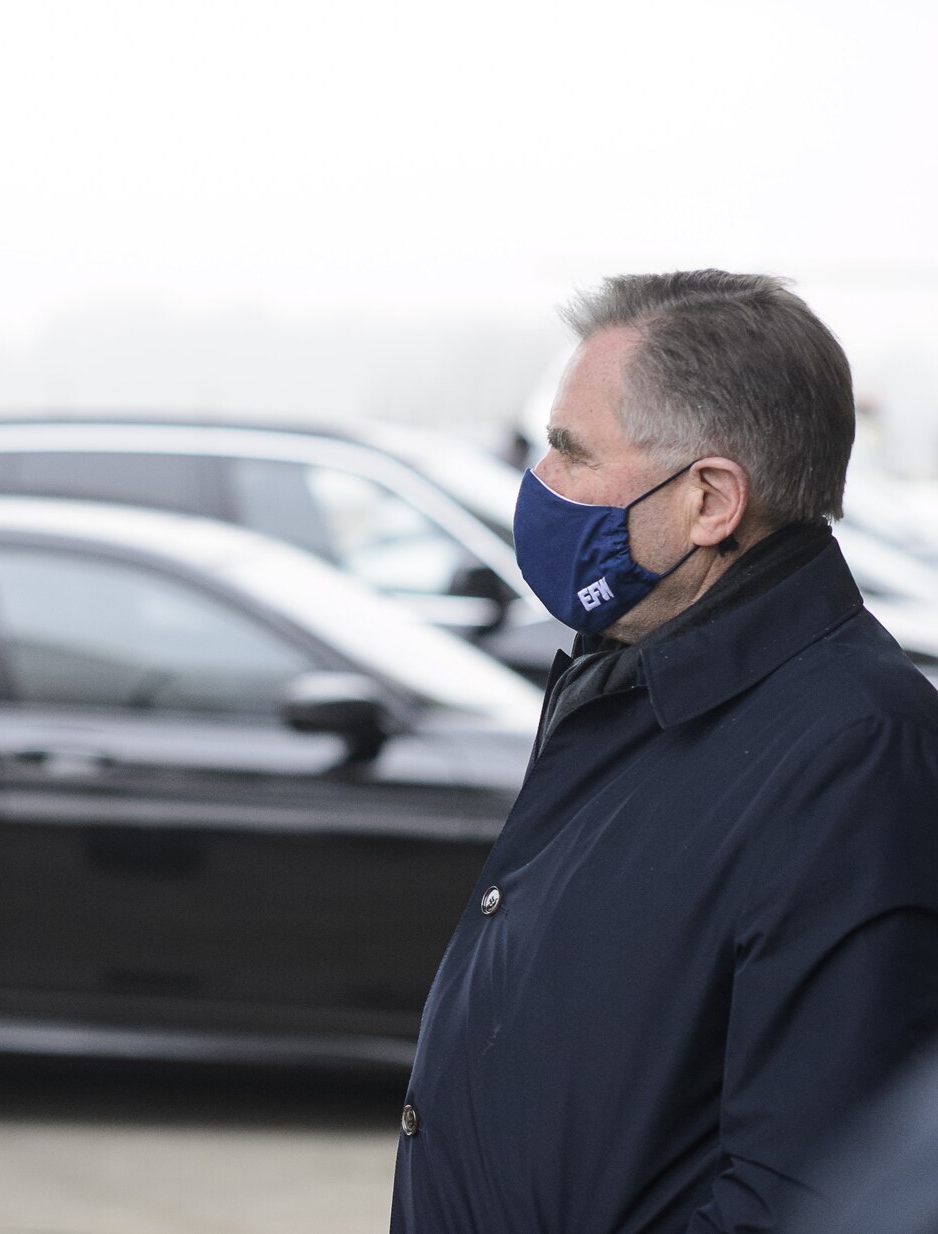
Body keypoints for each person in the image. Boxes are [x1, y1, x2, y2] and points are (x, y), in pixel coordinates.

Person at [390, 270, 938, 1233]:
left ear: (710, 501)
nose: (536, 485)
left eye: (570, 451)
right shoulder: (637, 682)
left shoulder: (855, 754)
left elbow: (813, 1195)